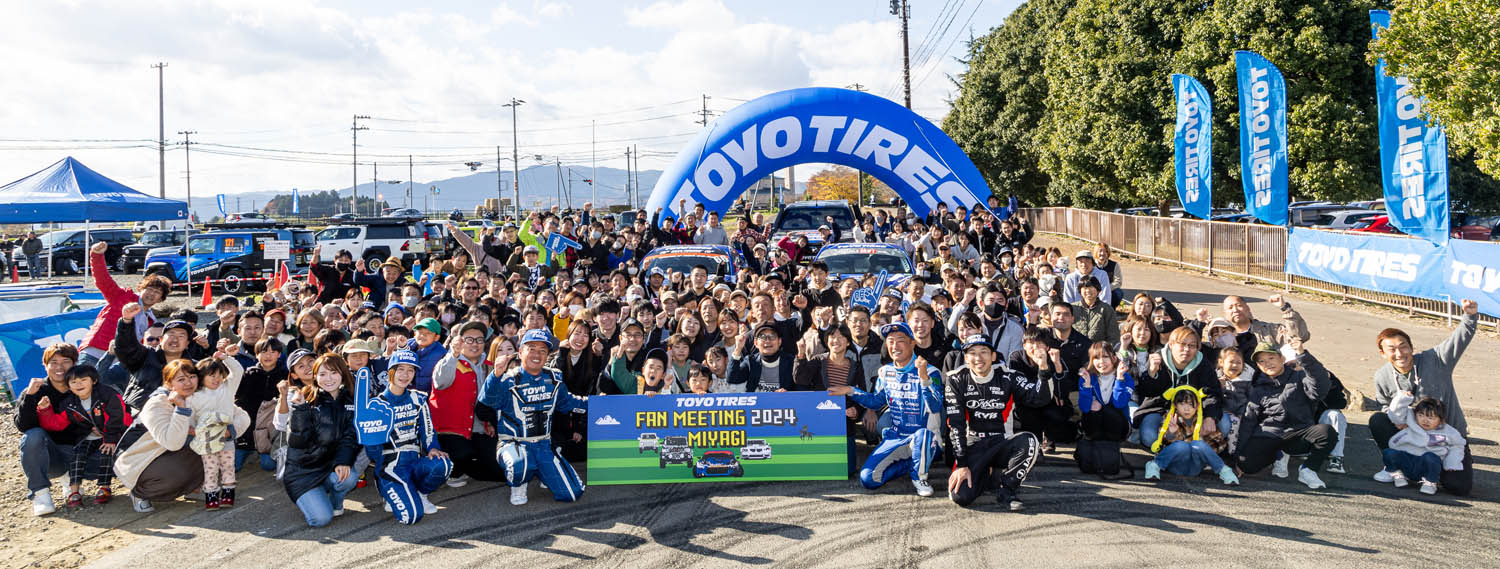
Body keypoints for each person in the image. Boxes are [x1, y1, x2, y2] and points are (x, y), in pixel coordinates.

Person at [1368, 299, 1479, 496]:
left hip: (1445, 436)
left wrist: (1469, 316)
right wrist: (1399, 421)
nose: (1399, 353)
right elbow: (1384, 404)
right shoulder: (1382, 376)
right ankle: (1395, 466)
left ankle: (1430, 470)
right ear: (1382, 353)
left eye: (1403, 346)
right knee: (1378, 419)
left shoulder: (1435, 360)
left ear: (1411, 347)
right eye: (1391, 349)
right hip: (1411, 438)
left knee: (1458, 487)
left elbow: (1459, 340)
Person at [114, 359, 251, 514]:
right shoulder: (158, 403)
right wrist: (181, 410)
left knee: (214, 448)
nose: (188, 383)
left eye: (192, 377)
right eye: (181, 379)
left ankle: (193, 488)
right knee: (180, 470)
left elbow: (242, 417)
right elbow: (173, 443)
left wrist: (227, 432)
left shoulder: (201, 395)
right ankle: (140, 492)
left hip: (172, 455)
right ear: (169, 382)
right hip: (140, 461)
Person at [477, 329, 589, 506]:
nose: (537, 354)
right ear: (520, 352)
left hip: (544, 444)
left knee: (572, 494)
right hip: (513, 443)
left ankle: (546, 472)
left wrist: (599, 403)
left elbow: (568, 403)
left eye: (543, 351)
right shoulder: (507, 379)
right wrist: (495, 375)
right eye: (532, 349)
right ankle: (518, 484)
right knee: (520, 464)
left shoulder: (554, 378)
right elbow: (486, 404)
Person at [829, 323, 942, 497]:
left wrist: (924, 379)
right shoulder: (885, 372)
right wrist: (851, 391)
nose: (895, 346)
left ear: (913, 343)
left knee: (924, 435)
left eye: (900, 340)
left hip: (924, 438)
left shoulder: (931, 371)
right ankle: (911, 463)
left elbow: (935, 406)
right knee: (868, 479)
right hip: (896, 437)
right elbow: (875, 402)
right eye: (890, 341)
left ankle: (919, 477)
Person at [943, 334, 1048, 510]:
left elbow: (1038, 398)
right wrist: (961, 464)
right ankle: (988, 473)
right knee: (960, 497)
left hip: (1002, 441)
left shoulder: (1009, 376)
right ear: (966, 358)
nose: (978, 358)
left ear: (993, 356)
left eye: (984, 352)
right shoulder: (955, 379)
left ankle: (1006, 488)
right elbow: (956, 424)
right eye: (972, 353)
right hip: (973, 443)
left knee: (1030, 441)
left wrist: (1043, 368)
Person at [1230, 339, 1333, 489]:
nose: (1268, 363)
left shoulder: (1300, 377)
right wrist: (1238, 457)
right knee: (1247, 465)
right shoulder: (1258, 388)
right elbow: (1249, 420)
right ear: (1258, 366)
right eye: (1262, 361)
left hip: (1298, 432)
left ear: (1282, 359)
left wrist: (1303, 355)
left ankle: (1308, 470)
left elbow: (1321, 386)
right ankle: (1277, 455)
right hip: (1270, 434)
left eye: (1271, 358)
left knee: (1326, 433)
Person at [365, 349, 453, 523]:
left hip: (414, 459)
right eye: (401, 369)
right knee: (410, 517)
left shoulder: (418, 398)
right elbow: (372, 451)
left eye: (410, 370)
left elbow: (428, 430)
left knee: (443, 464)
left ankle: (420, 493)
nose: (405, 375)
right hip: (390, 468)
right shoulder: (376, 404)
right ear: (391, 371)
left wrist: (433, 448)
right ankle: (388, 490)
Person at [275, 353, 360, 527]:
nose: (328, 379)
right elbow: (298, 442)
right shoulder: (304, 397)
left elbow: (350, 437)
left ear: (343, 374)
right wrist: (300, 410)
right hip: (303, 472)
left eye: (333, 373)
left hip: (329, 467)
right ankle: (314, 497)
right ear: (315, 377)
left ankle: (335, 503)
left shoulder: (351, 400)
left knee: (350, 477)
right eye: (322, 374)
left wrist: (343, 462)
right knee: (320, 520)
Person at [36, 365, 131, 510]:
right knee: (78, 454)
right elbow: (57, 424)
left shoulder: (107, 394)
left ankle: (104, 487)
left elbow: (117, 416)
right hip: (89, 436)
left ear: (94, 381)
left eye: (83, 380)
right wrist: (45, 410)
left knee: (106, 451)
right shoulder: (69, 403)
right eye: (73, 382)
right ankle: (74, 492)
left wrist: (110, 438)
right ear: (68, 386)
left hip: (114, 432)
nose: (78, 384)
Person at [16, 343, 81, 515]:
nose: (59, 367)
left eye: (66, 361)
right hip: (51, 457)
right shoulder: (34, 390)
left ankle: (72, 480)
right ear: (45, 366)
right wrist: (30, 398)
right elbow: (24, 427)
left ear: (75, 364)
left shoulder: (83, 386)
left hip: (83, 454)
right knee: (33, 435)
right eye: (53, 362)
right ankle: (41, 495)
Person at [186, 347, 249, 510]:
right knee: (211, 467)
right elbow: (190, 416)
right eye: (211, 376)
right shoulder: (194, 395)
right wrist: (192, 429)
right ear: (201, 377)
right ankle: (211, 494)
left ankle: (228, 492)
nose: (216, 379)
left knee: (228, 465)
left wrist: (224, 357)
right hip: (205, 436)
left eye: (219, 375)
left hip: (225, 432)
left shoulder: (227, 388)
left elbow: (238, 370)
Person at [1375, 393, 1466, 496]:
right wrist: (1403, 398)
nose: (1425, 420)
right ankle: (1396, 473)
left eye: (1431, 418)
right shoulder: (1411, 420)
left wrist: (1451, 462)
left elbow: (1457, 445)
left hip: (1426, 464)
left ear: (1440, 420)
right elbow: (1395, 415)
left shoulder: (1448, 432)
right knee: (1389, 453)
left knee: (1431, 458)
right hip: (1408, 458)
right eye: (1421, 415)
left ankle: (1431, 481)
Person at [1146, 386, 1238, 485]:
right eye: (1182, 404)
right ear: (1175, 405)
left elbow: (1220, 445)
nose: (1186, 408)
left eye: (1190, 404)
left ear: (1198, 405)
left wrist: (1203, 438)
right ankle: (1154, 465)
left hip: (1195, 467)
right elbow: (1162, 447)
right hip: (1175, 465)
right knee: (1182, 446)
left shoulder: (1203, 420)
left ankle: (1224, 470)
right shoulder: (1170, 419)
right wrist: (1172, 434)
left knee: (1199, 445)